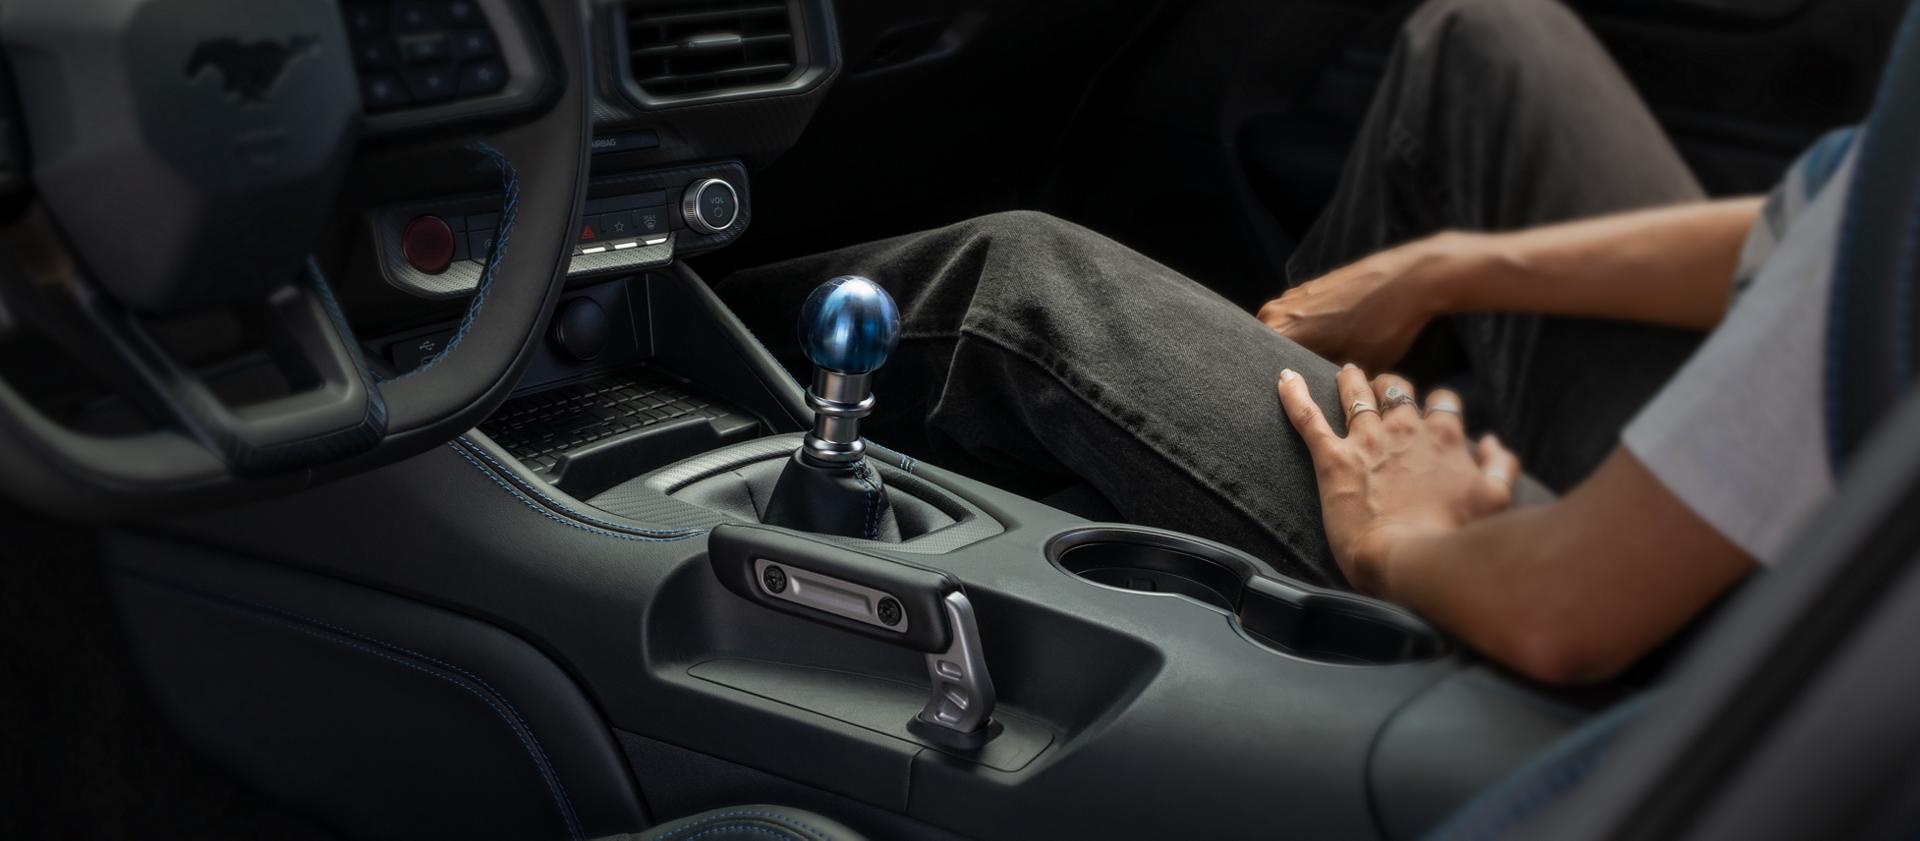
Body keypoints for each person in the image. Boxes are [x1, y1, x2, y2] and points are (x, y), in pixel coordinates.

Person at [717, 0, 1860, 684]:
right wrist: (1445, 263)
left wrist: (1401, 538)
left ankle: (652, 356)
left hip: (1739, 654)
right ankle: (1162, 476)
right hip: (1803, 503)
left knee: (1016, 285)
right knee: (1484, 42)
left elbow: (1567, 619)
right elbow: (1838, 227)